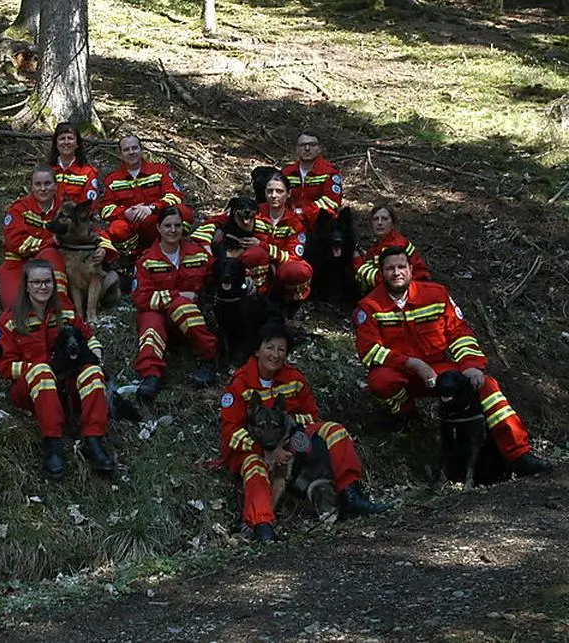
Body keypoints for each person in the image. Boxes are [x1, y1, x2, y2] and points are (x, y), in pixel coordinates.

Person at [353, 247, 550, 475]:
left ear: (410, 269)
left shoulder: (435, 294)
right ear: (381, 272)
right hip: (402, 372)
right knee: (381, 382)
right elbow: (369, 350)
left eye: (401, 267)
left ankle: (519, 454)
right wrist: (413, 364)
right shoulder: (369, 306)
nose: (396, 272)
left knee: (487, 386)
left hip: (440, 370)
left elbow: (459, 333)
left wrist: (471, 365)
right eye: (390, 268)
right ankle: (408, 419)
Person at [219, 324, 389, 542]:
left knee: (334, 431)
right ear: (257, 350)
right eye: (270, 348)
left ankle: (351, 494)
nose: (276, 354)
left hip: (289, 438)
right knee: (255, 466)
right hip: (249, 446)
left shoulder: (293, 378)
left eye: (281, 349)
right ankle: (262, 525)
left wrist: (286, 441)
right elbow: (230, 431)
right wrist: (263, 449)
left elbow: (311, 416)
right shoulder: (240, 383)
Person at [0, 260, 115, 478]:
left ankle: (93, 440)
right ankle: (53, 444)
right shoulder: (9, 321)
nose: (42, 287)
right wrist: (35, 369)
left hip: (66, 385)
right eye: (36, 282)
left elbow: (89, 337)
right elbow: (4, 365)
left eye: (47, 281)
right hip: (30, 390)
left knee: (92, 372)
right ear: (26, 285)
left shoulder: (65, 311)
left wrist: (95, 357)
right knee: (42, 372)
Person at [132, 206, 220, 398]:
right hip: (158, 316)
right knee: (151, 322)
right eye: (167, 226)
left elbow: (219, 273)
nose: (173, 230)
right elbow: (141, 298)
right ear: (158, 228)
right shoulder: (146, 260)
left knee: (182, 307)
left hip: (190, 321)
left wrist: (245, 276)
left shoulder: (197, 253)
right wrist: (176, 296)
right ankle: (150, 376)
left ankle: (209, 359)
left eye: (177, 226)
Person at [0, 165, 110, 310]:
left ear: (56, 186)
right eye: (38, 184)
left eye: (47, 183)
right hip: (19, 264)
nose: (43, 188)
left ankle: (62, 309)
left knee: (52, 255)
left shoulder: (64, 207)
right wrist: (52, 241)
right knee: (15, 309)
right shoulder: (18, 209)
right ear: (31, 186)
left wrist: (103, 248)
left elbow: (90, 229)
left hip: (51, 264)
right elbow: (16, 244)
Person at [101, 135, 194, 257]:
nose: (131, 152)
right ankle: (131, 259)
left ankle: (177, 248)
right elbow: (105, 209)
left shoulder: (160, 170)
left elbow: (175, 195)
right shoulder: (112, 180)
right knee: (117, 228)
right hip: (133, 226)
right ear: (120, 153)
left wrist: (152, 208)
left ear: (141, 149)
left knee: (184, 212)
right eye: (126, 149)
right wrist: (125, 212)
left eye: (134, 148)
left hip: (159, 220)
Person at [258, 170, 313, 304]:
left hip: (283, 267)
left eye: (279, 191)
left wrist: (265, 248)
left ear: (288, 194)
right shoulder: (253, 211)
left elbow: (294, 255)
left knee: (298, 270)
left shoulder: (295, 221)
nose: (274, 195)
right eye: (269, 191)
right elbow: (221, 219)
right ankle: (253, 297)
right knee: (252, 255)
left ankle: (292, 303)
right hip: (257, 268)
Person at [353, 205, 431, 291]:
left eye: (384, 219)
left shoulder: (395, 245)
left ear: (393, 223)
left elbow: (382, 280)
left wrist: (357, 261)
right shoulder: (378, 245)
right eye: (375, 219)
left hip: (409, 291)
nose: (379, 223)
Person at [281, 130, 343, 230]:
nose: (307, 148)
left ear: (319, 149)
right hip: (288, 225)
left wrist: (302, 212)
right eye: (302, 145)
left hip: (320, 226)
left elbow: (331, 202)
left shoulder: (329, 172)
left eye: (312, 145)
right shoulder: (286, 172)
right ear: (296, 149)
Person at [49, 122, 102, 204]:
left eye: (70, 138)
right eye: (62, 138)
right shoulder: (47, 171)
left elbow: (90, 206)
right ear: (56, 144)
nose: (66, 142)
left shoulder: (88, 173)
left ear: (77, 144)